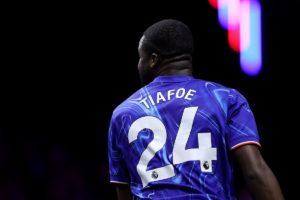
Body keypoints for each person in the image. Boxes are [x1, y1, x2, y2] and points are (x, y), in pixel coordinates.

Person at [108, 19, 284, 200]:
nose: (138, 64)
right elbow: (255, 171)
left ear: (153, 60)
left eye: (140, 57)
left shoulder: (123, 113)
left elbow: (124, 192)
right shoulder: (225, 98)